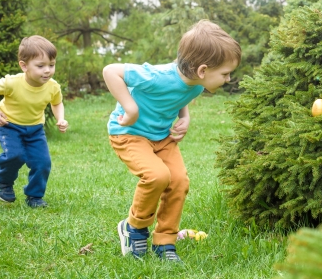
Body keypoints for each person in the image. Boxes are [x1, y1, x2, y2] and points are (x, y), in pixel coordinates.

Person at [103, 20, 241, 262]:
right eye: (225, 73)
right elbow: (110, 71)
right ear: (203, 70)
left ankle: (164, 242)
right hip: (129, 133)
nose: (228, 79)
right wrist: (130, 107)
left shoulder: (197, 83)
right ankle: (133, 228)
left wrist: (184, 117)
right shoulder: (157, 76)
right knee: (157, 176)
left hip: (162, 137)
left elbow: (180, 95)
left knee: (178, 181)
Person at [0, 35, 69, 208]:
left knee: (43, 163)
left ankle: (34, 196)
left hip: (35, 129)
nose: (47, 70)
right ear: (24, 66)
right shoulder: (12, 83)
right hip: (9, 125)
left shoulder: (53, 86)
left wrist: (60, 118)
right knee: (16, 155)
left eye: (51, 65)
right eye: (40, 66)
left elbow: (57, 102)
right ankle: (2, 179)